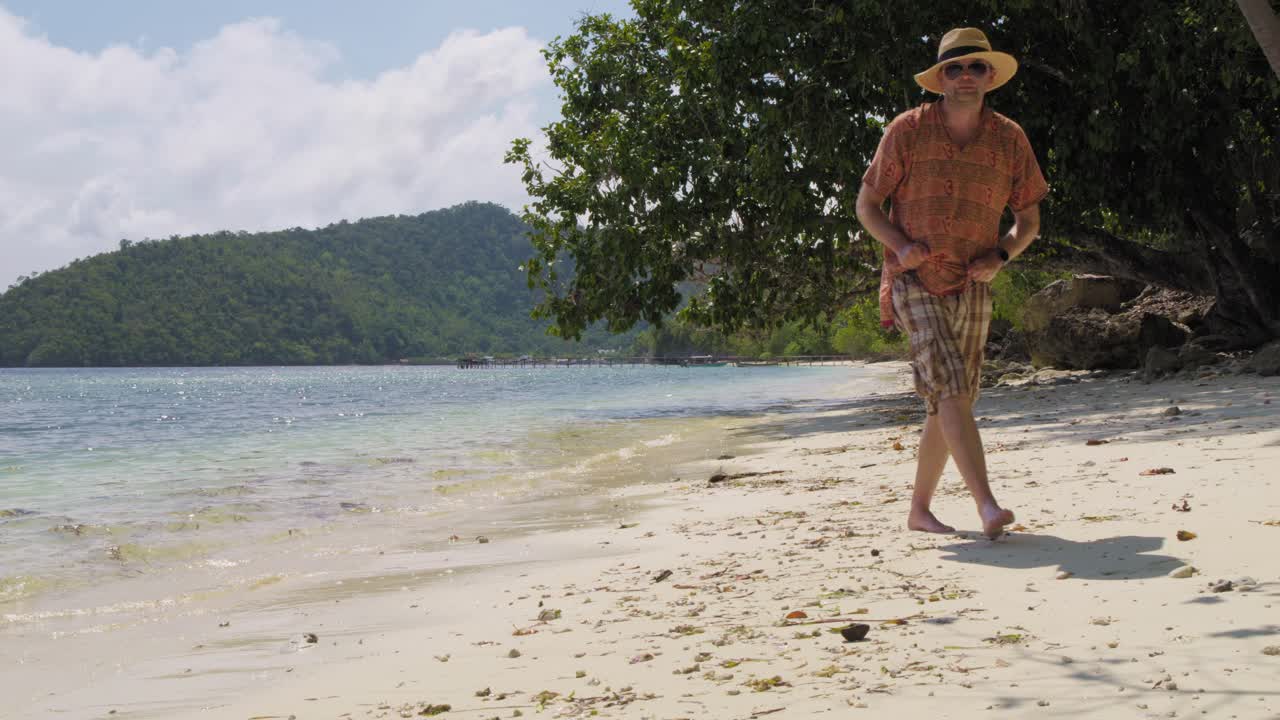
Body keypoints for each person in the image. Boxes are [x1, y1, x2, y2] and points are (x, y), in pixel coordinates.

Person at [855, 27, 1048, 539]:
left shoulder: (1010, 138)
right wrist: (900, 247)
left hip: (973, 282)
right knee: (954, 392)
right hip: (914, 279)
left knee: (949, 400)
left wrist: (1002, 255)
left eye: (976, 68)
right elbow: (866, 206)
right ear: (940, 79)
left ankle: (919, 511)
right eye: (955, 69)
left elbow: (1028, 222)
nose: (966, 77)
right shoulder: (907, 129)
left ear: (990, 76)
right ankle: (987, 505)